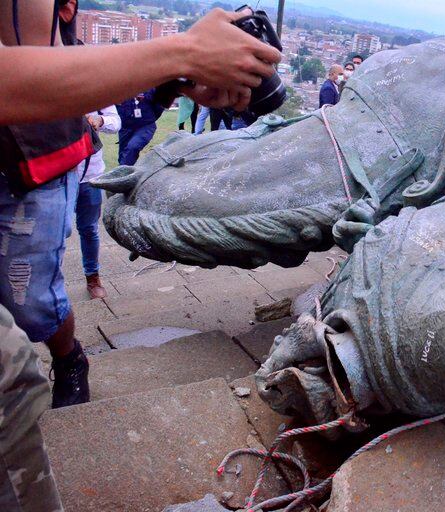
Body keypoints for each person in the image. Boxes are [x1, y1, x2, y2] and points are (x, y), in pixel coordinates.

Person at [0, 0, 281, 509]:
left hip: (32, 160)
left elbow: (55, 53)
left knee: (28, 303)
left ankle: (69, 358)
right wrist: (185, 52)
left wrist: (172, 77)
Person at [76, 106, 121, 299]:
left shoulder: (95, 89)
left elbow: (116, 122)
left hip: (90, 175)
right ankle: (50, 282)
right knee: (57, 232)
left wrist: (100, 121)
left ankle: (92, 278)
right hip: (56, 177)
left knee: (89, 229)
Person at [116, 88, 168, 165]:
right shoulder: (120, 88)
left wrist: (150, 118)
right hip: (125, 127)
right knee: (123, 155)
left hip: (145, 126)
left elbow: (159, 106)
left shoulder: (151, 87)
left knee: (133, 147)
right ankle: (126, 171)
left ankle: (122, 172)